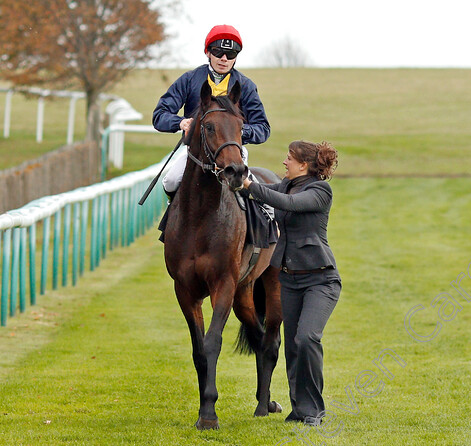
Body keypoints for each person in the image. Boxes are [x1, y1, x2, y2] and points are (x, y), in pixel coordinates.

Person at [242, 140, 340, 427]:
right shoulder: (285, 185)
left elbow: (289, 205)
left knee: (307, 338)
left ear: (303, 165)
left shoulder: (320, 190)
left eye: (289, 158)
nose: (284, 162)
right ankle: (299, 410)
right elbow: (267, 194)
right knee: (293, 347)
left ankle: (314, 411)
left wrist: (250, 186)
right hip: (290, 279)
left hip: (320, 280)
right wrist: (237, 177)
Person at [153, 24, 270, 195]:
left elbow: (263, 128)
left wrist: (235, 131)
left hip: (234, 152)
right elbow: (159, 115)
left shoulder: (246, 86)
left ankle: (267, 218)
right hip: (196, 152)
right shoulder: (189, 79)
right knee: (170, 182)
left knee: (257, 193)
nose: (224, 58)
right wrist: (181, 123)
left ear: (235, 57)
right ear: (207, 52)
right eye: (218, 52)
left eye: (230, 54)